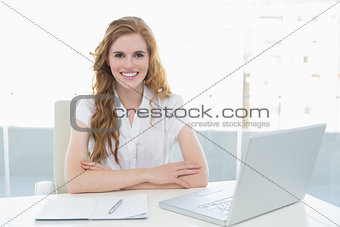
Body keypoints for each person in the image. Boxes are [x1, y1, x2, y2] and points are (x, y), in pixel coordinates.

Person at [65, 16, 208, 194]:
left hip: (154, 207)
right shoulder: (88, 106)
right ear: (108, 60)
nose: (129, 64)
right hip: (103, 209)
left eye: (138, 55)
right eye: (119, 55)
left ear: (150, 58)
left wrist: (114, 180)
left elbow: (199, 178)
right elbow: (75, 182)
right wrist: (150, 174)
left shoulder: (171, 104)